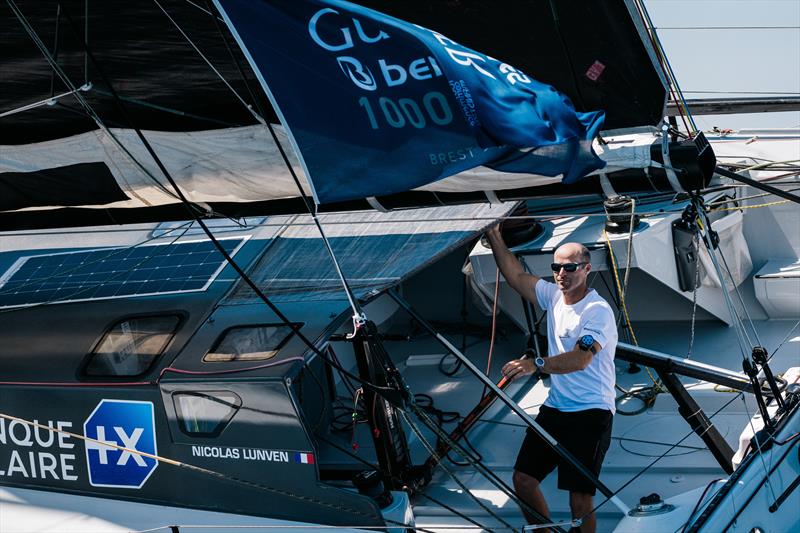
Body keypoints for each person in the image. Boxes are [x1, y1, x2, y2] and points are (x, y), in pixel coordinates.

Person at [484, 225, 617, 533]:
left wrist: (536, 364)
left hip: (592, 411)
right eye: (556, 267)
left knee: (579, 501)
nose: (561, 274)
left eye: (569, 268)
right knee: (523, 480)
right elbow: (516, 276)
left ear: (586, 269)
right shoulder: (553, 296)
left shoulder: (597, 311)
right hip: (557, 407)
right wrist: (494, 236)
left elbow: (581, 359)